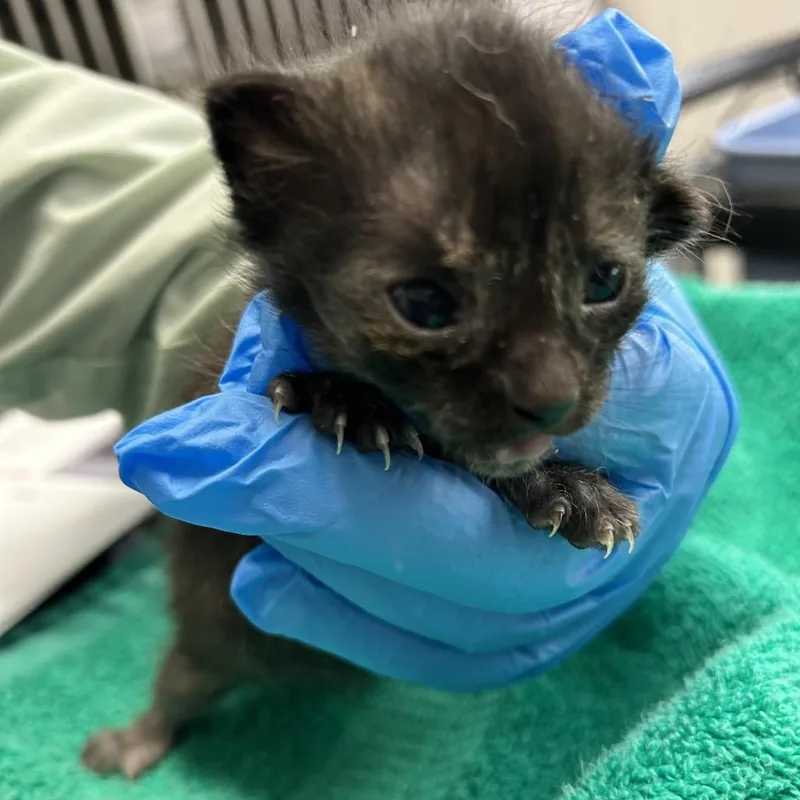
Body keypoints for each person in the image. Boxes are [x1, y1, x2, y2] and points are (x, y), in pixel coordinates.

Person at [0, 11, 739, 691]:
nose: (551, 386)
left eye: (603, 280)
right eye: (429, 305)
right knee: (201, 667)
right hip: (230, 621)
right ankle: (165, 712)